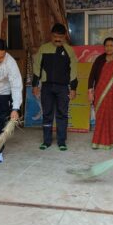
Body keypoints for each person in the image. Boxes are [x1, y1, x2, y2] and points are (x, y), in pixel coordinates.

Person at [32, 23, 78, 151]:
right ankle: (46, 141)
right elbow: (37, 67)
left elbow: (74, 70)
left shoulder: (69, 51)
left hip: (63, 88)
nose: (57, 39)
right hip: (47, 87)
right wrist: (35, 85)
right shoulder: (43, 48)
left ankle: (61, 141)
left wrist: (73, 88)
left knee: (62, 114)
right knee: (47, 114)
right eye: (55, 36)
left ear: (65, 37)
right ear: (51, 35)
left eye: (60, 37)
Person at [88, 37, 113, 149]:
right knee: (101, 116)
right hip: (100, 92)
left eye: (111, 45)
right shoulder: (99, 59)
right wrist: (90, 90)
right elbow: (92, 76)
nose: (109, 48)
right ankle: (98, 140)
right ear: (104, 47)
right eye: (106, 45)